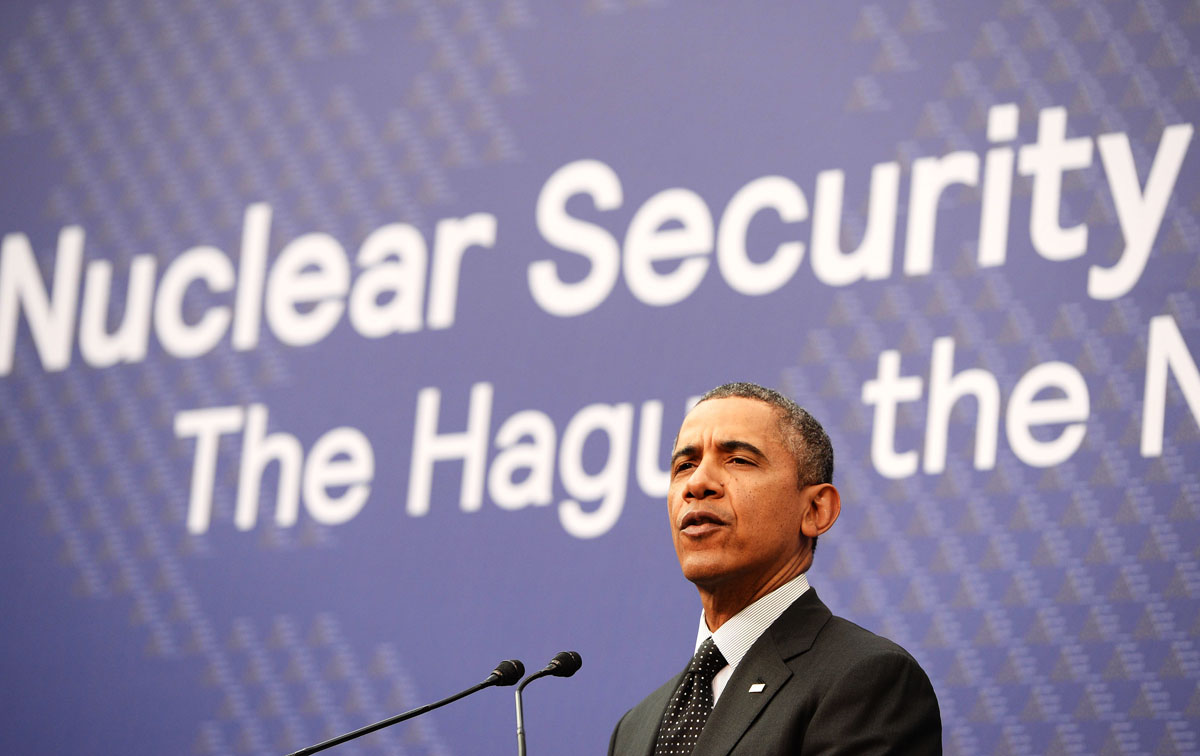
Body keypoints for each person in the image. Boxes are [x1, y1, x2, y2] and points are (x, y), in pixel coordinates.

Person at [608, 382, 941, 755]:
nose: (697, 483)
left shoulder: (866, 680)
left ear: (816, 510)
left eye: (738, 460)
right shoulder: (634, 729)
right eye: (684, 466)